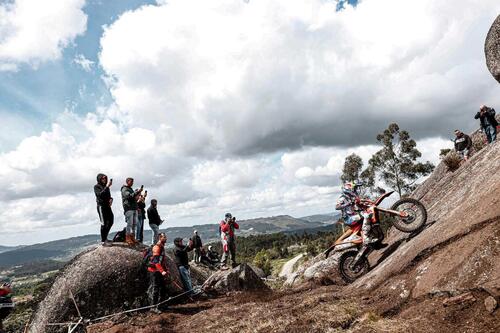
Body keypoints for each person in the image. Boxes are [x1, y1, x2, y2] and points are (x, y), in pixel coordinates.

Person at [146, 233, 169, 313]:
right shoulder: (157, 247)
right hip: (154, 271)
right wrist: (162, 271)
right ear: (160, 238)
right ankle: (153, 307)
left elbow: (162, 261)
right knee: (155, 288)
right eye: (164, 237)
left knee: (163, 288)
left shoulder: (162, 247)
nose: (166, 238)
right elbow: (156, 261)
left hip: (159, 271)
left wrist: (165, 269)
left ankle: (161, 304)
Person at [121, 178, 143, 245]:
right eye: (131, 181)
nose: (132, 183)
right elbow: (128, 196)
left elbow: (134, 198)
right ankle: (127, 237)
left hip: (134, 208)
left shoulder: (130, 189)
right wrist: (137, 192)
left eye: (132, 182)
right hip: (128, 208)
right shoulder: (124, 189)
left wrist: (138, 192)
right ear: (127, 181)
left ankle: (132, 237)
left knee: (134, 224)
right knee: (130, 223)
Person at [94, 173, 114, 245]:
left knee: (111, 220)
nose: (104, 180)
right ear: (99, 179)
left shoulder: (105, 187)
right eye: (103, 179)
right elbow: (100, 195)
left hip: (107, 206)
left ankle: (105, 237)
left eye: (105, 178)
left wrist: (111, 199)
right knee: (104, 223)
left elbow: (108, 196)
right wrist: (107, 186)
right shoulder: (96, 187)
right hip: (101, 207)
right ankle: (103, 241)